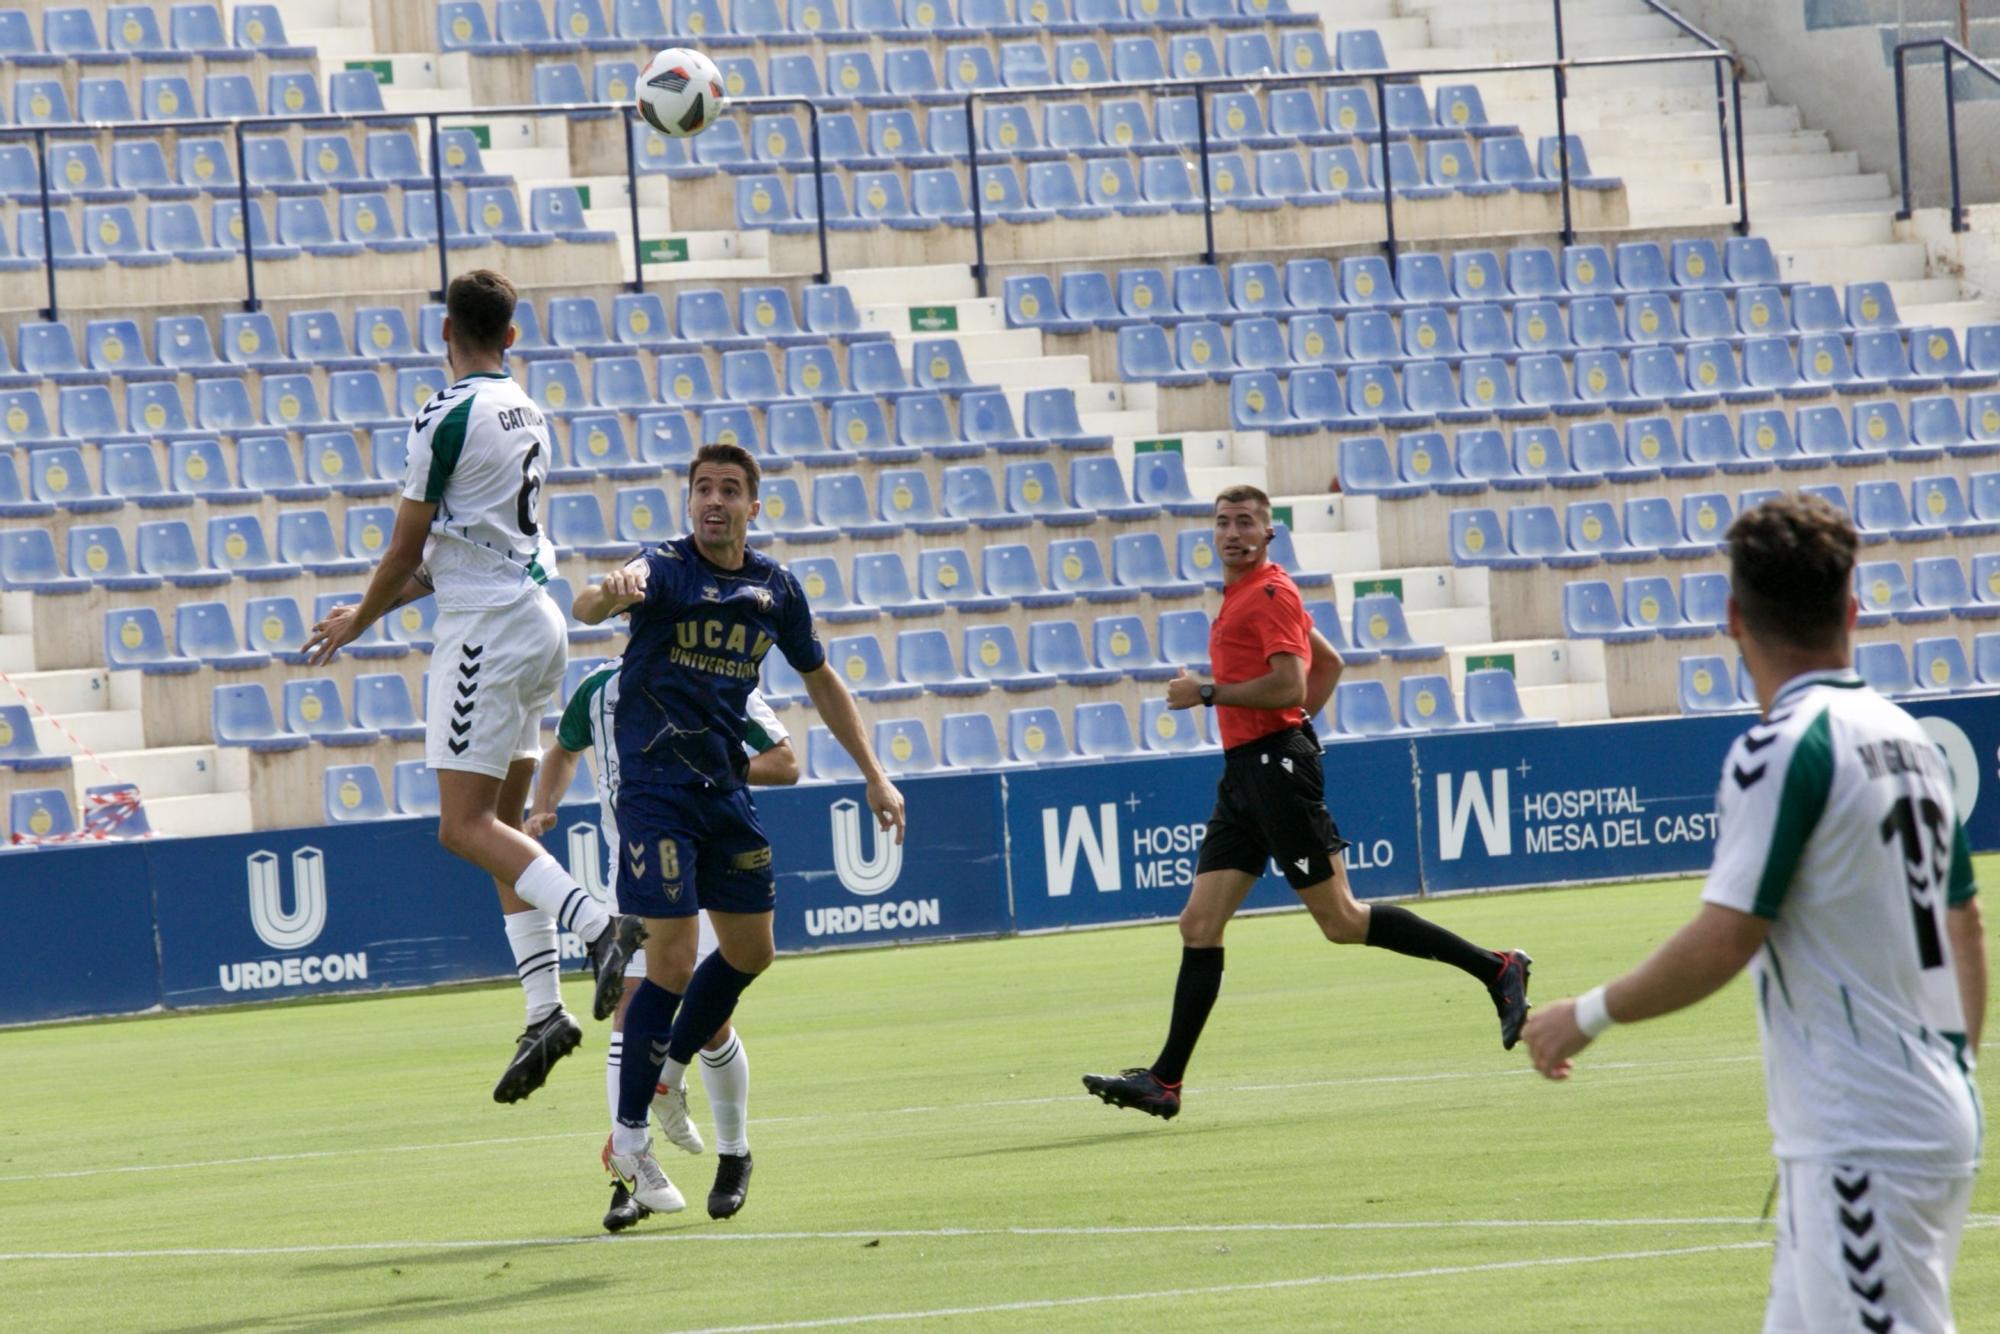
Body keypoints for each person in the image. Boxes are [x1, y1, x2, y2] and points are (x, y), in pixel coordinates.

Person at [1524, 495, 1985, 1333]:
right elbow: (1965, 925)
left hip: (1864, 1135)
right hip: (1904, 1115)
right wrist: (1955, 1069)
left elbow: (1729, 934)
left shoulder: (1784, 747)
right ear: (1852, 609)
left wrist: (1583, 1014)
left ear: (1733, 618)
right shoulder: (1911, 738)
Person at [1083, 484, 1531, 1120]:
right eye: (1222, 523)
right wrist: (1297, 726)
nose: (1232, 532)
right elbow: (1330, 664)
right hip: (1247, 773)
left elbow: (1292, 680)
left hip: (1271, 771)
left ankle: (1498, 967)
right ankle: (1165, 1082)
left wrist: (1212, 695)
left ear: (1269, 534)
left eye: (1246, 523)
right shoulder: (1251, 594)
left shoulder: (1269, 593)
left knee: (1342, 921)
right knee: (1198, 924)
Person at [304, 269, 642, 1105]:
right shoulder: (530, 409)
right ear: (513, 336)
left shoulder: (442, 413)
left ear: (445, 329)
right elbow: (467, 545)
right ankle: (542, 1011)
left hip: (485, 633)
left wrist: (360, 620)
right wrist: (392, 596)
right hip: (538, 621)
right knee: (502, 829)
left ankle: (601, 927)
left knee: (462, 826)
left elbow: (404, 547)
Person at [570, 442, 907, 1213]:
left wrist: (874, 772)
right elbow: (587, 606)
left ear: (755, 506)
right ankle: (628, 1134)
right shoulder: (662, 567)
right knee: (674, 963)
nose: (713, 501)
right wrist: (608, 593)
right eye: (701, 490)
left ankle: (668, 1071)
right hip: (655, 792)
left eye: (729, 490)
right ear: (688, 502)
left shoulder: (776, 589)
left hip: (724, 788)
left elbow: (821, 678)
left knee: (754, 950)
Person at [527, 664, 798, 1229]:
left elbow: (785, 761)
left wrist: (714, 770)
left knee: (710, 1023)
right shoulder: (599, 690)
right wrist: (543, 804)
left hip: (709, 853)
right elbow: (563, 749)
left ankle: (733, 1153)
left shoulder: (720, 684)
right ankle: (627, 1177)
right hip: (634, 865)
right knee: (631, 1007)